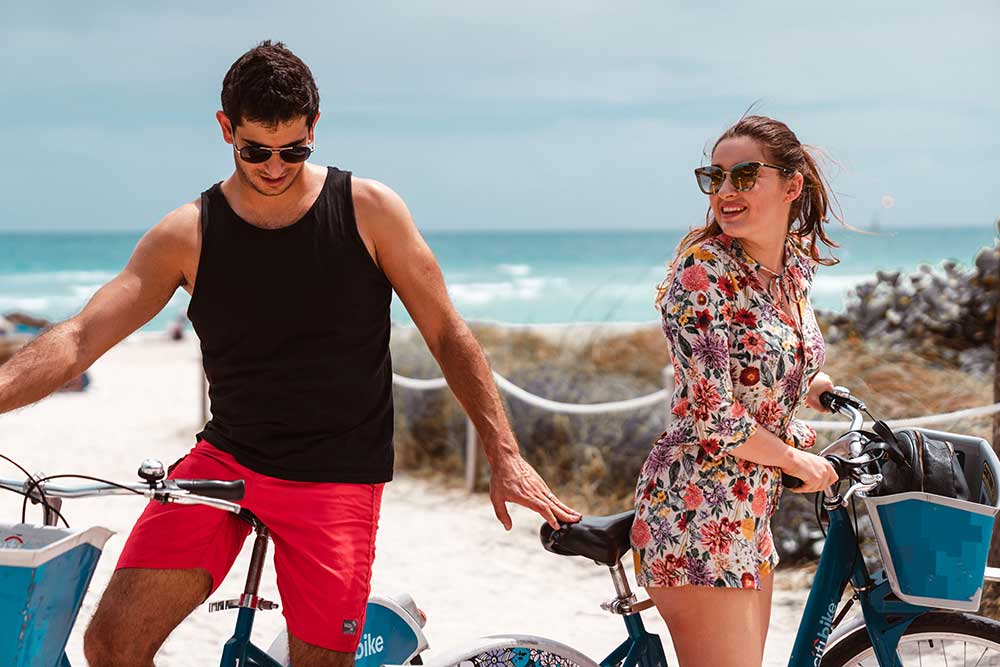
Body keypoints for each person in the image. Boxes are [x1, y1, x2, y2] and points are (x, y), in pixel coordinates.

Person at [0, 41, 579, 667]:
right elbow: (84, 335)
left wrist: (505, 453)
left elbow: (446, 333)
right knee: (110, 644)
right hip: (226, 461)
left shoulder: (370, 212)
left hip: (337, 475)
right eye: (255, 150)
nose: (275, 167)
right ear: (225, 129)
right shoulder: (187, 234)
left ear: (314, 129)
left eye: (294, 150)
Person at [631, 115, 843, 667]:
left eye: (745, 176)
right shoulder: (702, 273)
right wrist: (799, 458)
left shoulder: (791, 268)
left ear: (790, 186)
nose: (726, 192)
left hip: (751, 509)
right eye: (716, 177)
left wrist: (816, 386)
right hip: (696, 512)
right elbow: (716, 416)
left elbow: (773, 355)